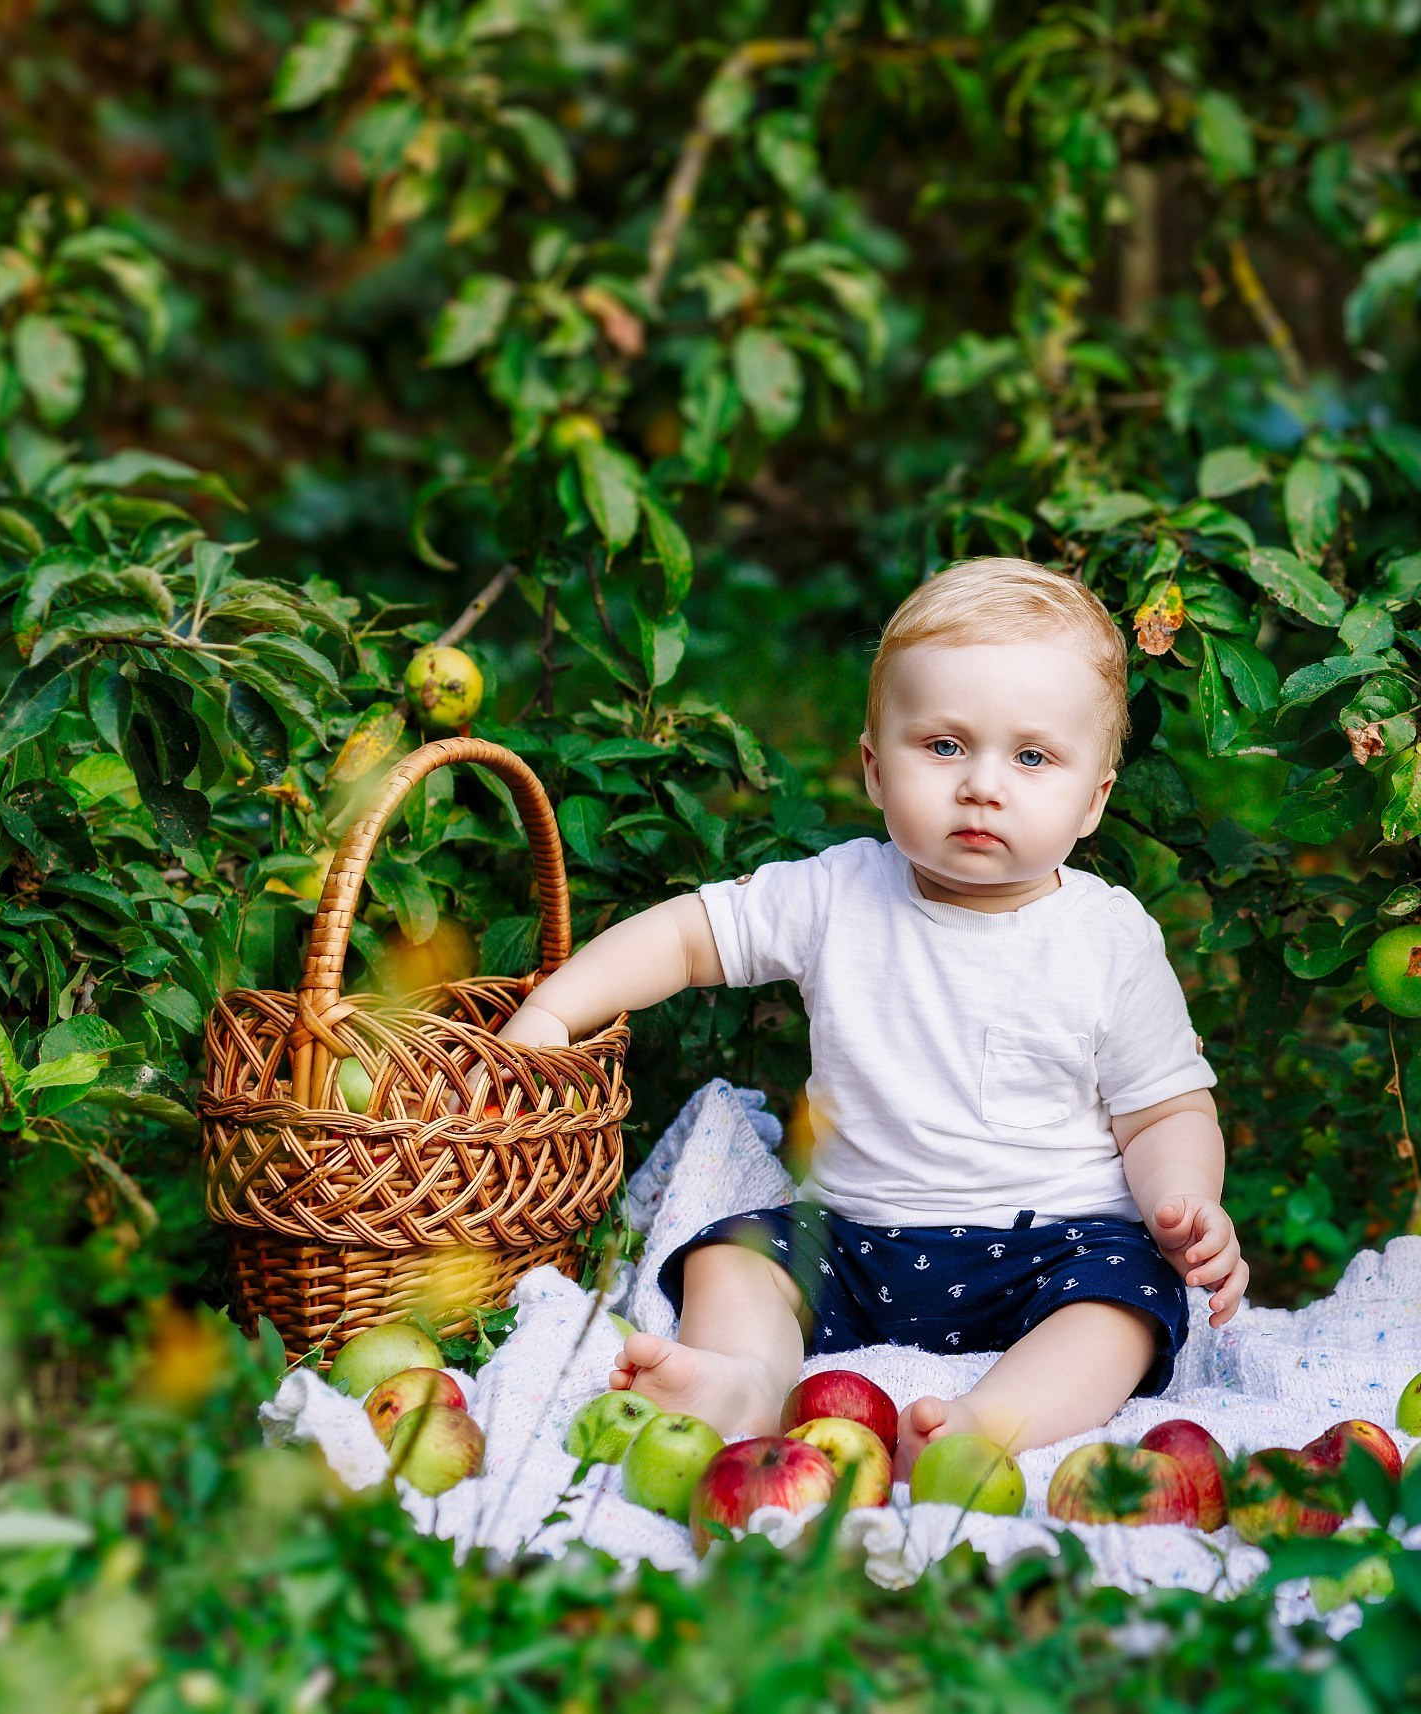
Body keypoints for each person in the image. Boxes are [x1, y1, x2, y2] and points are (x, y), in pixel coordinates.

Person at [500, 558, 1246, 1470]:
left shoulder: (1107, 939)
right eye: (942, 746)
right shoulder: (835, 895)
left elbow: (1166, 1109)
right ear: (872, 767)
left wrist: (1185, 1199)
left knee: (1123, 1307)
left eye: (1032, 757)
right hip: (852, 1241)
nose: (982, 784)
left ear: (1093, 800)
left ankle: (991, 1423)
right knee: (729, 1258)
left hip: (1056, 1248)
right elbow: (689, 936)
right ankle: (741, 1379)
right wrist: (552, 1008)